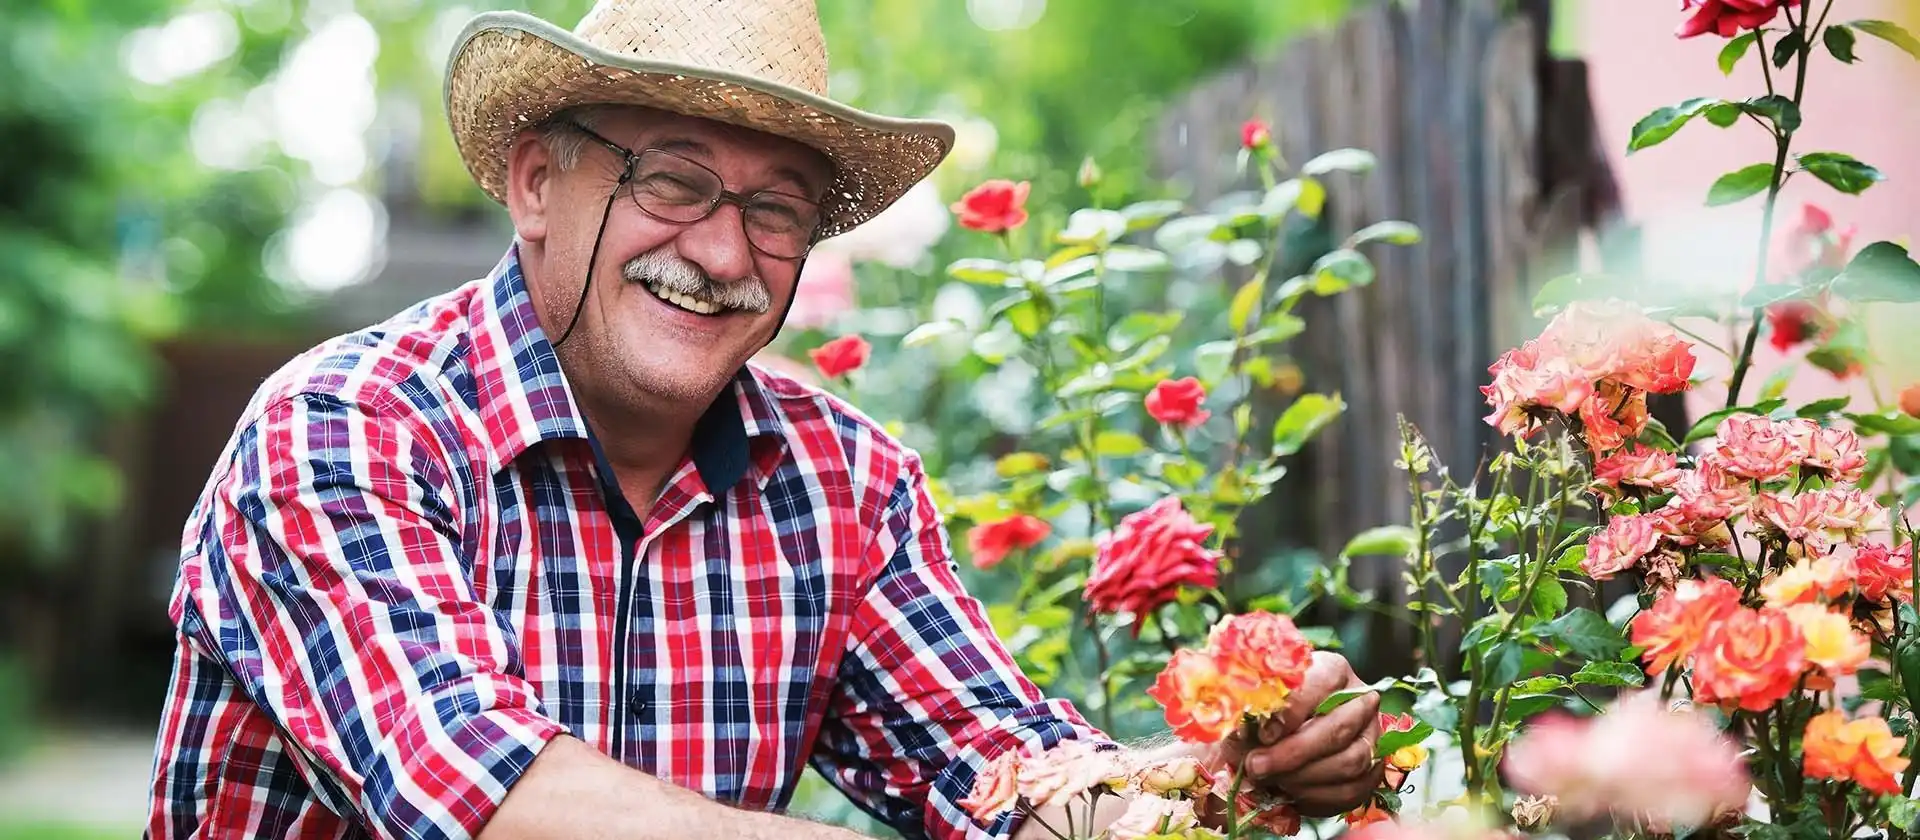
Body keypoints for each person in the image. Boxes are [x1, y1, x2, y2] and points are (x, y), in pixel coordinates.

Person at [143, 0, 1385, 837]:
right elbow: (470, 793)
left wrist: (1224, 775)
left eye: (776, 210)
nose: (724, 253)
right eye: (674, 182)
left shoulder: (843, 483)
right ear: (534, 183)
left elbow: (999, 773)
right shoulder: (346, 429)